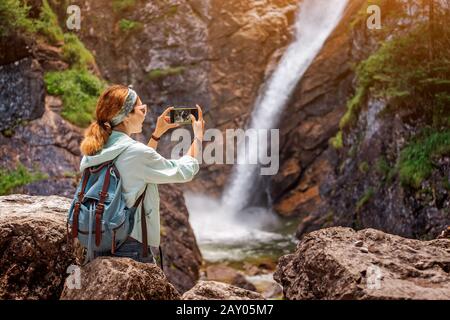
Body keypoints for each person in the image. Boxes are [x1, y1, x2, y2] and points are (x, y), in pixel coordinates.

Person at [78, 84, 204, 264]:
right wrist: (198, 137)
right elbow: (185, 171)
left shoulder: (95, 148)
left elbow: (137, 166)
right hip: (129, 244)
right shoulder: (135, 153)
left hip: (98, 239)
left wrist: (156, 135)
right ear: (126, 116)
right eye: (142, 109)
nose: (145, 113)